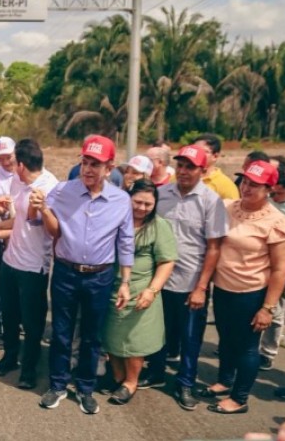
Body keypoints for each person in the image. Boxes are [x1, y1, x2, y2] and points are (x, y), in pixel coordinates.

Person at [33, 135, 134, 415]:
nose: (88, 169)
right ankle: (57, 385)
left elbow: (125, 242)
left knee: (92, 336)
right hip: (66, 272)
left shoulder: (120, 200)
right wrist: (39, 205)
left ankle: (86, 388)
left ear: (109, 167)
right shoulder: (63, 191)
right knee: (62, 333)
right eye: (85, 162)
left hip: (100, 277)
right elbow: (39, 218)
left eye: (96, 164)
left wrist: (125, 282)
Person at [202, 161, 285, 414]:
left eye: (255, 184)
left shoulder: (278, 222)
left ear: (270, 188)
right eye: (245, 181)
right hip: (223, 288)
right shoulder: (228, 208)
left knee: (246, 346)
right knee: (226, 339)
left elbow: (280, 270)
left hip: (252, 294)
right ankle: (225, 380)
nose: (247, 187)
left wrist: (267, 308)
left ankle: (240, 398)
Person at [142, 145, 228, 412]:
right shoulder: (162, 193)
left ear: (202, 170)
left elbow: (214, 247)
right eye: (180, 165)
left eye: (190, 167)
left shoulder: (211, 201)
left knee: (190, 338)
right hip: (159, 278)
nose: (183, 171)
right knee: (158, 330)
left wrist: (202, 287)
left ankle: (185, 382)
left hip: (192, 282)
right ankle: (155, 371)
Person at [102, 179, 177, 405]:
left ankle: (131, 382)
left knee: (135, 340)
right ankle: (117, 375)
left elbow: (166, 261)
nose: (142, 208)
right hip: (111, 287)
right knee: (111, 336)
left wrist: (152, 290)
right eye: (137, 202)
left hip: (141, 289)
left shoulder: (159, 226)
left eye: (148, 204)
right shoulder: (113, 219)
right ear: (127, 198)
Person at [0, 139, 59, 389]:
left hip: (33, 267)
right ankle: (10, 357)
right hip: (11, 261)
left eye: (13, 161)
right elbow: (18, 218)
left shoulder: (51, 187)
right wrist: (1, 225)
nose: (9, 166)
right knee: (9, 315)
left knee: (32, 323)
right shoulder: (17, 181)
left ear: (21, 164)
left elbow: (53, 231)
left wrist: (39, 208)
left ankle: (29, 368)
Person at [262, 167, 285, 371]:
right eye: (271, 192)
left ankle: (267, 352)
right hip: (261, 262)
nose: (273, 196)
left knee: (275, 311)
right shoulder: (268, 201)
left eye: (278, 193)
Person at [192, 133, 239, 200]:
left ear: (215, 156)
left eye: (203, 152)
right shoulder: (179, 177)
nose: (197, 154)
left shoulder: (226, 186)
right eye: (195, 150)